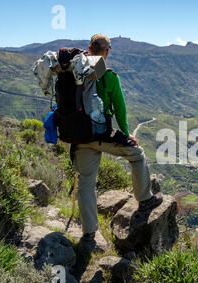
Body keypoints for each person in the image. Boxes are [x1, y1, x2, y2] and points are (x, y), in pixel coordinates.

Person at [75, 33, 163, 252]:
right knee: (138, 155)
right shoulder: (109, 76)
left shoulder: (73, 72)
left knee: (86, 181)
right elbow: (120, 111)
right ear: (107, 52)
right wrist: (126, 134)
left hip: (77, 137)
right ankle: (145, 199)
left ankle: (88, 235)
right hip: (100, 135)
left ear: (88, 48)